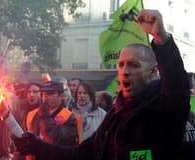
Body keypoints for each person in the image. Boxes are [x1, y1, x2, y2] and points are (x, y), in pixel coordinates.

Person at [11, 9, 190, 160]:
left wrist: (162, 39)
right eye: (121, 64)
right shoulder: (114, 116)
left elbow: (177, 88)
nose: (124, 71)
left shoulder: (164, 107)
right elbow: (79, 154)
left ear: (154, 71)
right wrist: (36, 146)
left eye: (133, 65)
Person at [25, 81, 80, 159]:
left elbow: (56, 141)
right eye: (44, 94)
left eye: (50, 93)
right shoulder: (34, 114)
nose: (46, 96)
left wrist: (45, 118)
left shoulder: (69, 117)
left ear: (61, 96)